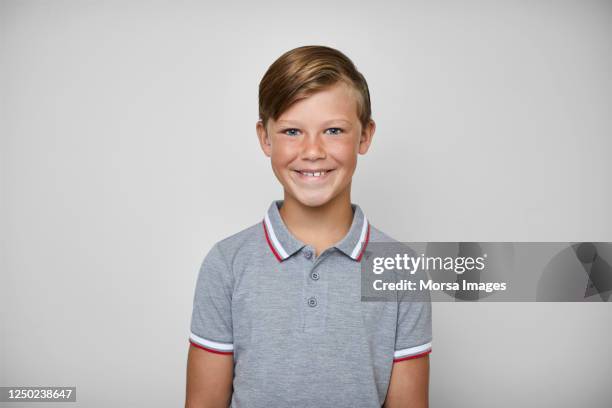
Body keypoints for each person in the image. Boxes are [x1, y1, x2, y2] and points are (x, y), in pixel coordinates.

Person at [185, 45, 432, 408]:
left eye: (333, 130)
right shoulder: (226, 264)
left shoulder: (401, 269)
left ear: (364, 136)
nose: (313, 150)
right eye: (292, 131)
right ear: (265, 138)